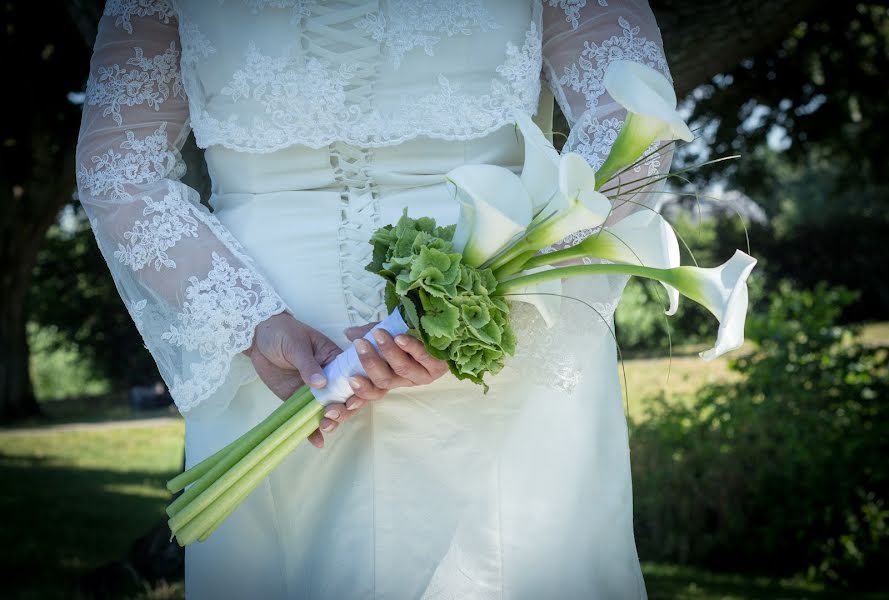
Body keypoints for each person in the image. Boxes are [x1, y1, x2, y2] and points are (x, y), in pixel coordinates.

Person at [75, 1, 676, 597]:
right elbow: (118, 167)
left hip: (499, 343)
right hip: (272, 372)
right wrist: (248, 320)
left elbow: (630, 124)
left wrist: (486, 300)